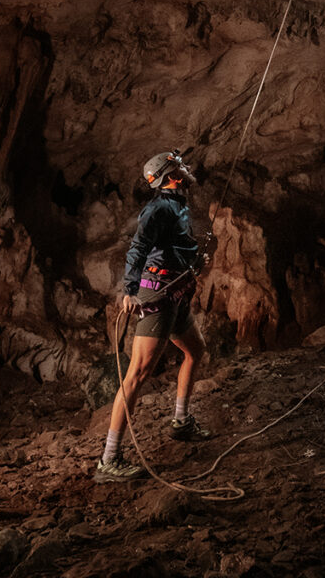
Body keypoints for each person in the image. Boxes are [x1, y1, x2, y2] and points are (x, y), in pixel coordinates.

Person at [94, 150, 210, 483]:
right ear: (170, 175)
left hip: (176, 292)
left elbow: (174, 244)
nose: (185, 169)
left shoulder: (177, 203)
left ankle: (181, 421)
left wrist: (192, 260)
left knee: (195, 351)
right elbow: (138, 248)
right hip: (157, 294)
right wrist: (130, 290)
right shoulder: (158, 208)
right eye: (179, 166)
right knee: (137, 374)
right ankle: (109, 459)